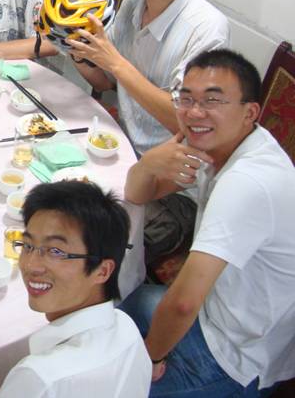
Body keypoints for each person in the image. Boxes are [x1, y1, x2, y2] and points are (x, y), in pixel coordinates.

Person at [120, 49, 295, 396]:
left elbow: (184, 301)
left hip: (232, 356)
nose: (194, 112)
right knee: (116, 309)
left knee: (113, 385)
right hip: (210, 312)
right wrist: (146, 165)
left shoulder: (247, 182)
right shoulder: (218, 145)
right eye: (186, 99)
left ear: (250, 112)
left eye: (212, 100)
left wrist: (150, 358)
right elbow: (139, 193)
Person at [68, 0, 230, 155]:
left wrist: (114, 63)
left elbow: (185, 121)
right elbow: (104, 82)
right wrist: (76, 49)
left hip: (173, 175)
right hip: (119, 144)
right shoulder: (133, 3)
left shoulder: (207, 27)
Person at [0, 181, 151, 398]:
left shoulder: (40, 378)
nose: (31, 265)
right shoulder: (129, 330)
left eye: (56, 252)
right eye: (28, 246)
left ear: (102, 271)